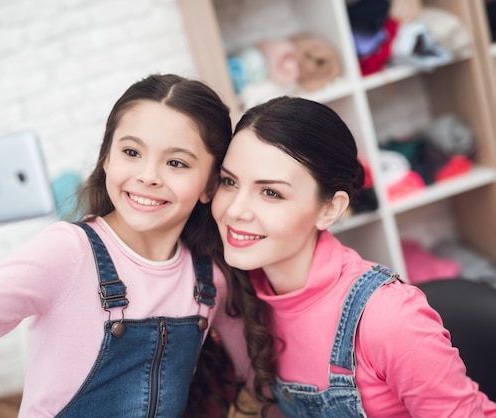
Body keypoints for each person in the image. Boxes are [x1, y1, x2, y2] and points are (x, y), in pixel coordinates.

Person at [0, 73, 238, 417]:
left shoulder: (210, 278)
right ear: (106, 158)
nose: (148, 176)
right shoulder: (68, 252)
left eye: (176, 162)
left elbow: (256, 371)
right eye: (131, 152)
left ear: (210, 185)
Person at [211, 96, 496, 417]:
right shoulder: (246, 298)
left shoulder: (387, 317)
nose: (234, 210)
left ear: (330, 209)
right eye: (229, 181)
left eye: (271, 192)